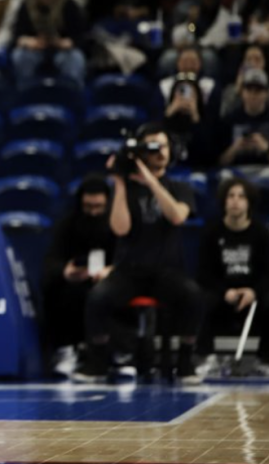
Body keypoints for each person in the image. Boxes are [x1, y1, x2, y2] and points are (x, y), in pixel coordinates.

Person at [74, 123, 204, 381]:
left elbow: (177, 217)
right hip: (129, 272)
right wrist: (120, 184)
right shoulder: (125, 190)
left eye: (163, 147)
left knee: (194, 296)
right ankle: (97, 361)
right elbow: (120, 229)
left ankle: (186, 361)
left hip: (166, 272)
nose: (159, 153)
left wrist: (151, 182)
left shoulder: (180, 187)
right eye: (152, 148)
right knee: (97, 298)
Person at [195, 179, 269, 378]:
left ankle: (263, 360)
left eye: (241, 196)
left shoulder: (261, 234)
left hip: (252, 296)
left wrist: (254, 292)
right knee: (201, 298)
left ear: (249, 202)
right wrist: (224, 291)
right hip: (222, 294)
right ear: (224, 201)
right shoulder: (211, 232)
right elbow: (203, 273)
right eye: (231, 196)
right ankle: (207, 357)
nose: (236, 201)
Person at [41, 176, 115, 377]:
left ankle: (118, 355)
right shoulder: (68, 225)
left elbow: (131, 258)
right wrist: (66, 271)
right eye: (88, 206)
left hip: (111, 282)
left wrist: (111, 270)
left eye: (98, 206)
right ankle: (67, 350)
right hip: (75, 285)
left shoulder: (117, 224)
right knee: (60, 291)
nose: (93, 212)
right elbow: (51, 260)